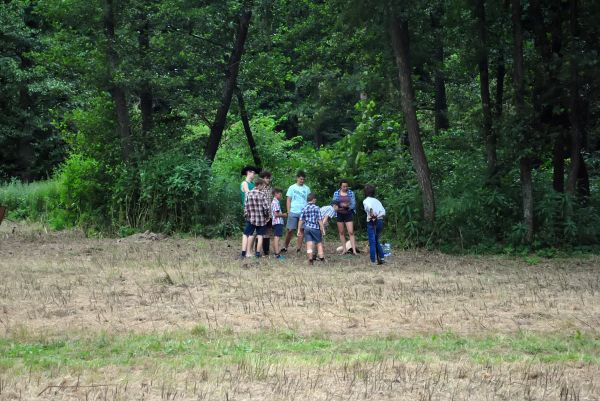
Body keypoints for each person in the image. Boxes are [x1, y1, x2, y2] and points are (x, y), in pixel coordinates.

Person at [283, 171, 310, 253]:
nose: (302, 181)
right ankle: (285, 247)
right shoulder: (292, 188)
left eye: (303, 179)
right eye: (301, 179)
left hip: (303, 212)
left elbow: (309, 200)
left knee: (301, 230)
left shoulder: (307, 188)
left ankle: (298, 248)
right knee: (290, 230)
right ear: (297, 178)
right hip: (293, 211)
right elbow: (288, 200)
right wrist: (288, 211)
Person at [243, 178, 270, 258]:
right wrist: (267, 216)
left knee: (246, 234)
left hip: (251, 219)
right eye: (263, 186)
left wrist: (247, 215)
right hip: (261, 220)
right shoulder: (262, 195)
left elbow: (246, 206)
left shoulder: (248, 193)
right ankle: (257, 254)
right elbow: (266, 208)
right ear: (259, 185)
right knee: (260, 235)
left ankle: (243, 253)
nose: (264, 188)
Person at [298, 193, 325, 264]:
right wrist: (322, 229)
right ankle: (322, 258)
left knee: (309, 244)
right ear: (313, 199)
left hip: (307, 228)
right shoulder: (317, 208)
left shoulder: (304, 208)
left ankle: (310, 259)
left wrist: (298, 230)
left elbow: (301, 220)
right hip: (315, 228)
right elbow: (319, 219)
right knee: (319, 243)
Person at [332, 179, 358, 255]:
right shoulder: (336, 193)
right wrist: (340, 205)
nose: (345, 188)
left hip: (348, 213)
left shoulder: (351, 193)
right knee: (341, 232)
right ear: (340, 186)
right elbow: (333, 203)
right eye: (343, 186)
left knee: (351, 232)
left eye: (346, 186)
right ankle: (344, 250)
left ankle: (354, 250)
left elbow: (353, 204)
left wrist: (345, 206)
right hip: (339, 214)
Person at [363, 184, 386, 265]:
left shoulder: (365, 201)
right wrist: (377, 216)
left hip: (371, 222)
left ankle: (373, 261)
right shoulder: (377, 201)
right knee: (377, 241)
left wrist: (373, 214)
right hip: (379, 221)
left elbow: (368, 207)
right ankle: (382, 258)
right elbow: (383, 212)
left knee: (372, 242)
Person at [239, 165, 257, 259]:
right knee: (247, 232)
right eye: (252, 172)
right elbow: (248, 193)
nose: (253, 174)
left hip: (254, 210)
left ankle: (248, 251)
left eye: (254, 172)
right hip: (249, 210)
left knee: (251, 232)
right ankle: (244, 253)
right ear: (247, 172)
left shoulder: (253, 184)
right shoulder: (244, 183)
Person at [259, 170, 273, 256]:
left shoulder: (270, 188)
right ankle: (257, 250)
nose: (268, 180)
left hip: (270, 214)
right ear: (262, 178)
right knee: (260, 232)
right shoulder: (259, 188)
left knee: (268, 232)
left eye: (269, 178)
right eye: (266, 178)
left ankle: (266, 251)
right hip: (261, 214)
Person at [271, 188, 287, 260]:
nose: (281, 196)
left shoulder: (275, 202)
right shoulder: (275, 202)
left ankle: (275, 252)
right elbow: (276, 214)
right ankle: (277, 254)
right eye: (280, 194)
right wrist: (284, 215)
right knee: (277, 237)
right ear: (275, 194)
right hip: (277, 222)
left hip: (275, 222)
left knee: (276, 237)